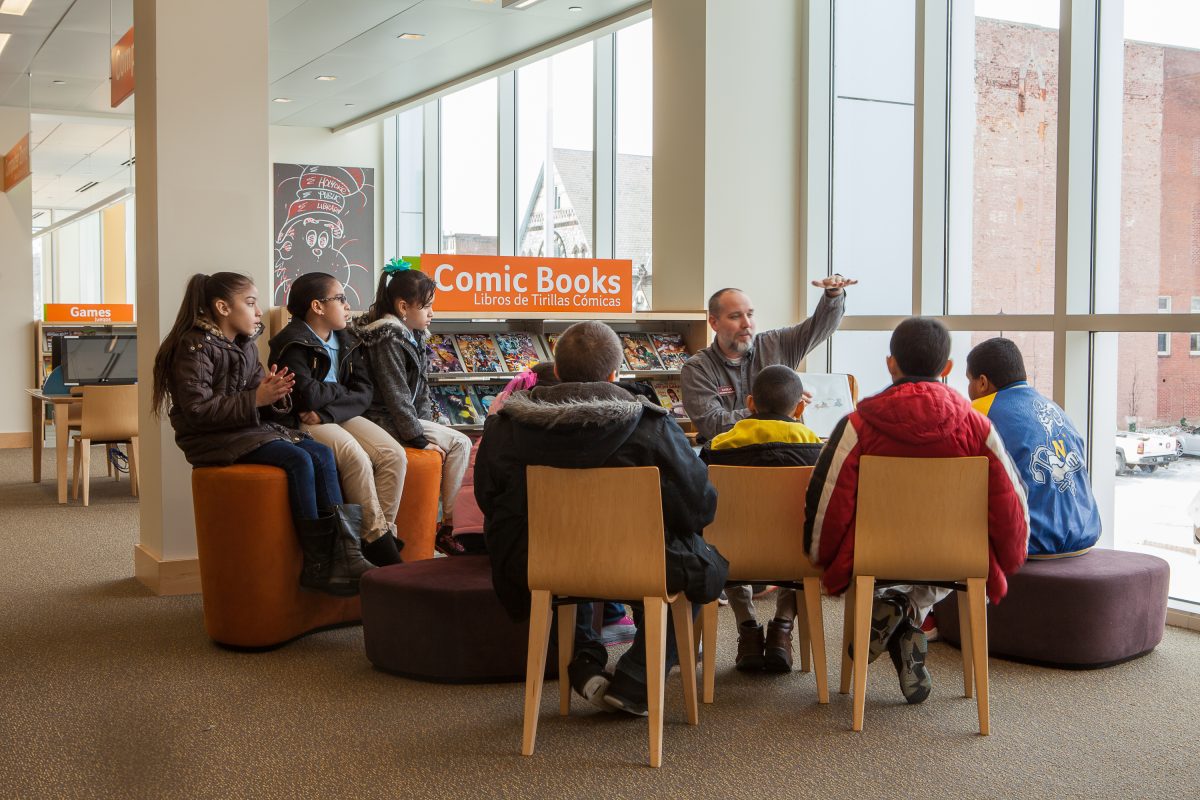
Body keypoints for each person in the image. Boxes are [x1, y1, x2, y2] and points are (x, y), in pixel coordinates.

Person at [475, 321, 727, 716]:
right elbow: (699, 505)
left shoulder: (506, 426)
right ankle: (638, 677)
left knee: (561, 555)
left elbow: (488, 498)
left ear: (556, 372)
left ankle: (584, 663)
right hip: (641, 562)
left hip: (536, 563)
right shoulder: (651, 426)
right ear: (615, 374)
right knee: (706, 565)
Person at [803, 317, 1029, 705]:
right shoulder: (979, 427)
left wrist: (820, 555)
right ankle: (907, 612)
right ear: (947, 369)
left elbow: (828, 499)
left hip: (874, 554)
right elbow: (1011, 503)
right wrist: (1009, 557)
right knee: (950, 552)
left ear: (891, 364)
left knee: (886, 561)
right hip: (953, 556)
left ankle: (894, 608)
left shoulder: (856, 425)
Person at [151, 272, 373, 596]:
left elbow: (265, 406)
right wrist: (255, 399)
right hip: (209, 439)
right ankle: (318, 563)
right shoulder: (193, 347)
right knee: (298, 460)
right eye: (251, 303)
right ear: (223, 308)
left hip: (245, 431)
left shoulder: (245, 346)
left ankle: (346, 554)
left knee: (322, 454)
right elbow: (197, 412)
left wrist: (278, 396)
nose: (258, 312)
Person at [267, 272, 406, 567]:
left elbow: (364, 392)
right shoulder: (291, 343)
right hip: (305, 421)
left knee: (394, 455)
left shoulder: (348, 339)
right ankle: (381, 546)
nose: (347, 306)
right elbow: (306, 396)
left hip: (333, 414)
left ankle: (378, 538)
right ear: (317, 306)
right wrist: (338, 394)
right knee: (356, 458)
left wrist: (329, 408)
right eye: (340, 298)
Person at [700, 365, 823, 673]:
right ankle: (782, 626)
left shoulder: (717, 448)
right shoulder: (817, 450)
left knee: (721, 541)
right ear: (799, 407)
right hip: (795, 558)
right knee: (803, 539)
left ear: (751, 404)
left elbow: (697, 502)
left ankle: (747, 628)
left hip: (732, 558)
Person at [353, 261, 472, 556]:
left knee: (456, 441)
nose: (432, 313)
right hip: (382, 418)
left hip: (403, 417)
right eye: (427, 306)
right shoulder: (387, 337)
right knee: (460, 441)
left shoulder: (411, 334)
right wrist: (419, 438)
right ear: (403, 307)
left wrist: (428, 426)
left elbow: (420, 390)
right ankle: (448, 527)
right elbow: (396, 395)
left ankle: (447, 525)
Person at [966, 337, 1101, 558]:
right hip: (1084, 535)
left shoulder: (981, 411)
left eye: (969, 380)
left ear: (982, 382)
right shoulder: (1054, 409)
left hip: (1032, 543)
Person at [681, 275, 857, 444]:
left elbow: (820, 327)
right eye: (735, 316)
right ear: (714, 322)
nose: (746, 323)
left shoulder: (777, 343)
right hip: (730, 461)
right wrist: (774, 405)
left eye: (750, 314)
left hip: (786, 455)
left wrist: (833, 294)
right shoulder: (697, 368)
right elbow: (713, 425)